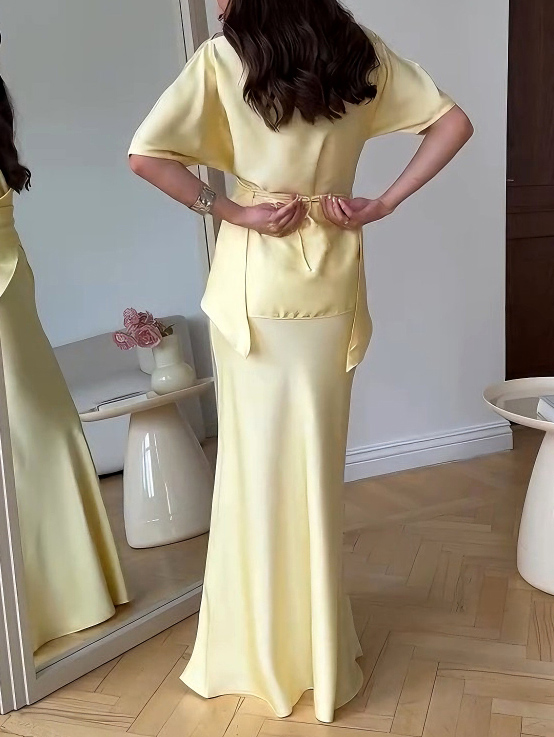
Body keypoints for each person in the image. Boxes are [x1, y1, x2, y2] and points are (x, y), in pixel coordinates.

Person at [128, 0, 473, 723]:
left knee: (252, 472)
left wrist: (232, 211)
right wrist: (383, 203)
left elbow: (146, 156)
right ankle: (317, 650)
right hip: (329, 285)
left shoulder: (224, 58)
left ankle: (253, 647)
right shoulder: (359, 50)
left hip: (254, 286)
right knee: (316, 470)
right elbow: (453, 123)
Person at [0, 73, 129, 652]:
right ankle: (62, 594)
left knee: (32, 433)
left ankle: (55, 601)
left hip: (4, 293)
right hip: (11, 288)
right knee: (35, 431)